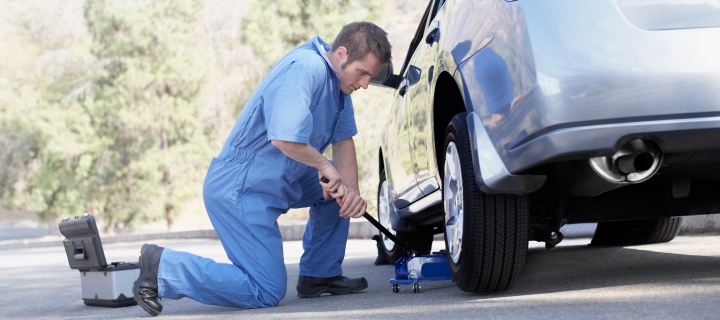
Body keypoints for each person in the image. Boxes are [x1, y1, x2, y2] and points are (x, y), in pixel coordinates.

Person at [131, 21, 392, 316]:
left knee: (338, 189)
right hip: (241, 187)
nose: (366, 84)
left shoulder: (340, 87)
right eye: (363, 73)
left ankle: (320, 274)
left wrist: (351, 192)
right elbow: (283, 137)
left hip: (282, 177)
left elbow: (343, 142)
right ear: (342, 54)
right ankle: (163, 267)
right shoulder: (306, 67)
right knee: (266, 290)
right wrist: (324, 166)